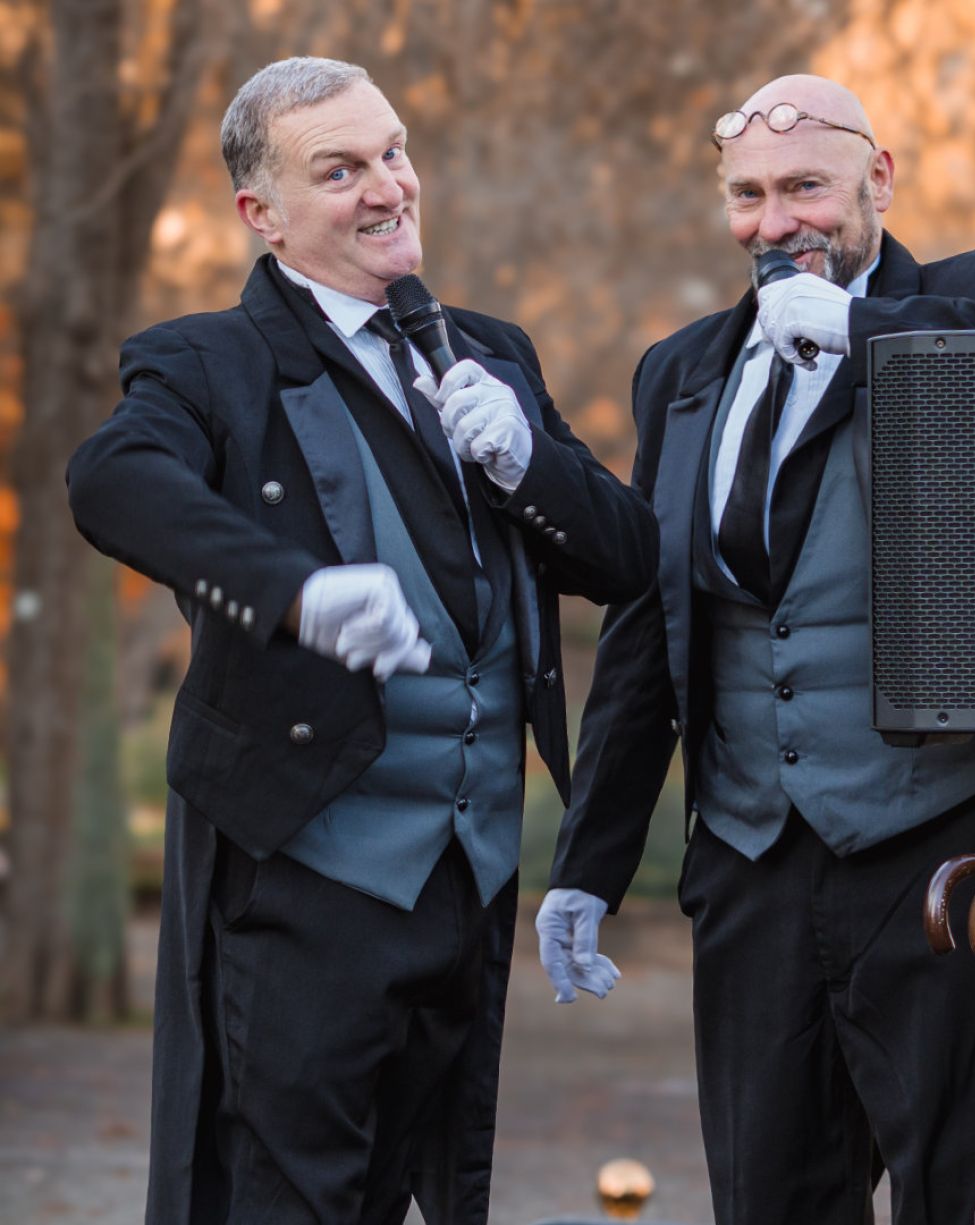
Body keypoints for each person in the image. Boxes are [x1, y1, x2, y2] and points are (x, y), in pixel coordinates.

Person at [535, 73, 975, 1225]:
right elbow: (650, 625)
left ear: (879, 179)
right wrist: (587, 863)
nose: (776, 223)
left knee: (962, 1193)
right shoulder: (681, 369)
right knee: (767, 1197)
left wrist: (870, 333)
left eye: (805, 187)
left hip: (940, 854)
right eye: (748, 195)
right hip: (751, 862)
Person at [67, 56, 656, 1225]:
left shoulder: (489, 349)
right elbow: (109, 478)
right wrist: (291, 592)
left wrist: (528, 462)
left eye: (392, 152)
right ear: (263, 213)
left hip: (467, 879)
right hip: (302, 879)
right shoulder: (206, 362)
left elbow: (628, 560)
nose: (388, 186)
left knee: (421, 1195)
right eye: (339, 171)